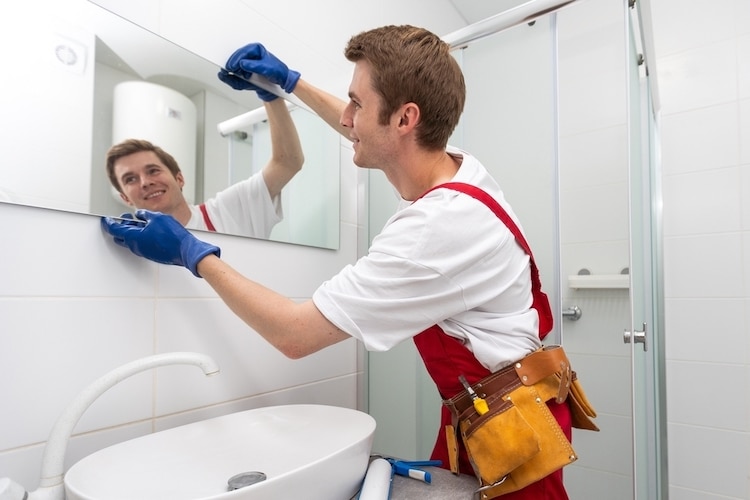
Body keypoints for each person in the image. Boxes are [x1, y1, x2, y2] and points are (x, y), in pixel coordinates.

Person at [102, 26, 582, 498]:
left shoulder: (436, 227)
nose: (347, 117)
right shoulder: (456, 169)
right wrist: (290, 84)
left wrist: (192, 252)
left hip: (511, 428)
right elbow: (375, 130)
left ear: (404, 119)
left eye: (357, 102)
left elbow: (295, 334)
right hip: (487, 410)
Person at [105, 90, 304, 239]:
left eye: (153, 170)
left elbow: (287, 163)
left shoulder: (228, 210)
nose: (145, 182)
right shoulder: (132, 246)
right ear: (125, 198)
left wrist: (270, 95)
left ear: (179, 178)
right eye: (130, 179)